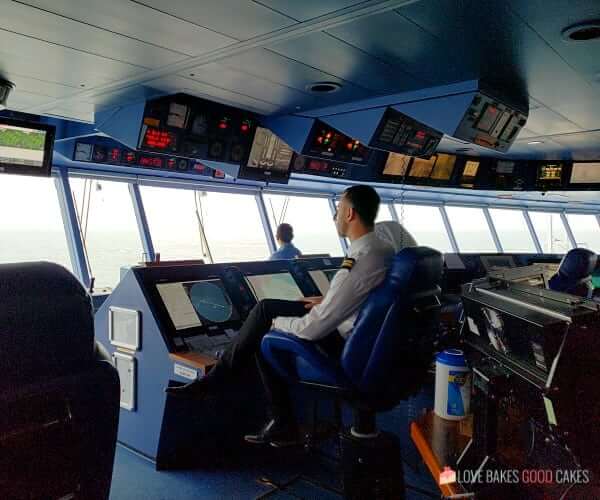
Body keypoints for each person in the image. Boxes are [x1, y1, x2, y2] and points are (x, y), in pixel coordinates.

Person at [166, 185, 395, 445]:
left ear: (350, 213)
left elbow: (313, 329)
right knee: (265, 308)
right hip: (364, 333)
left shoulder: (360, 257)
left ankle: (224, 388)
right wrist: (329, 300)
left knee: (263, 326)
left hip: (348, 343)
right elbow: (368, 295)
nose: (336, 216)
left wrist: (276, 324)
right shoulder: (382, 249)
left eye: (338, 209)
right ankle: (260, 407)